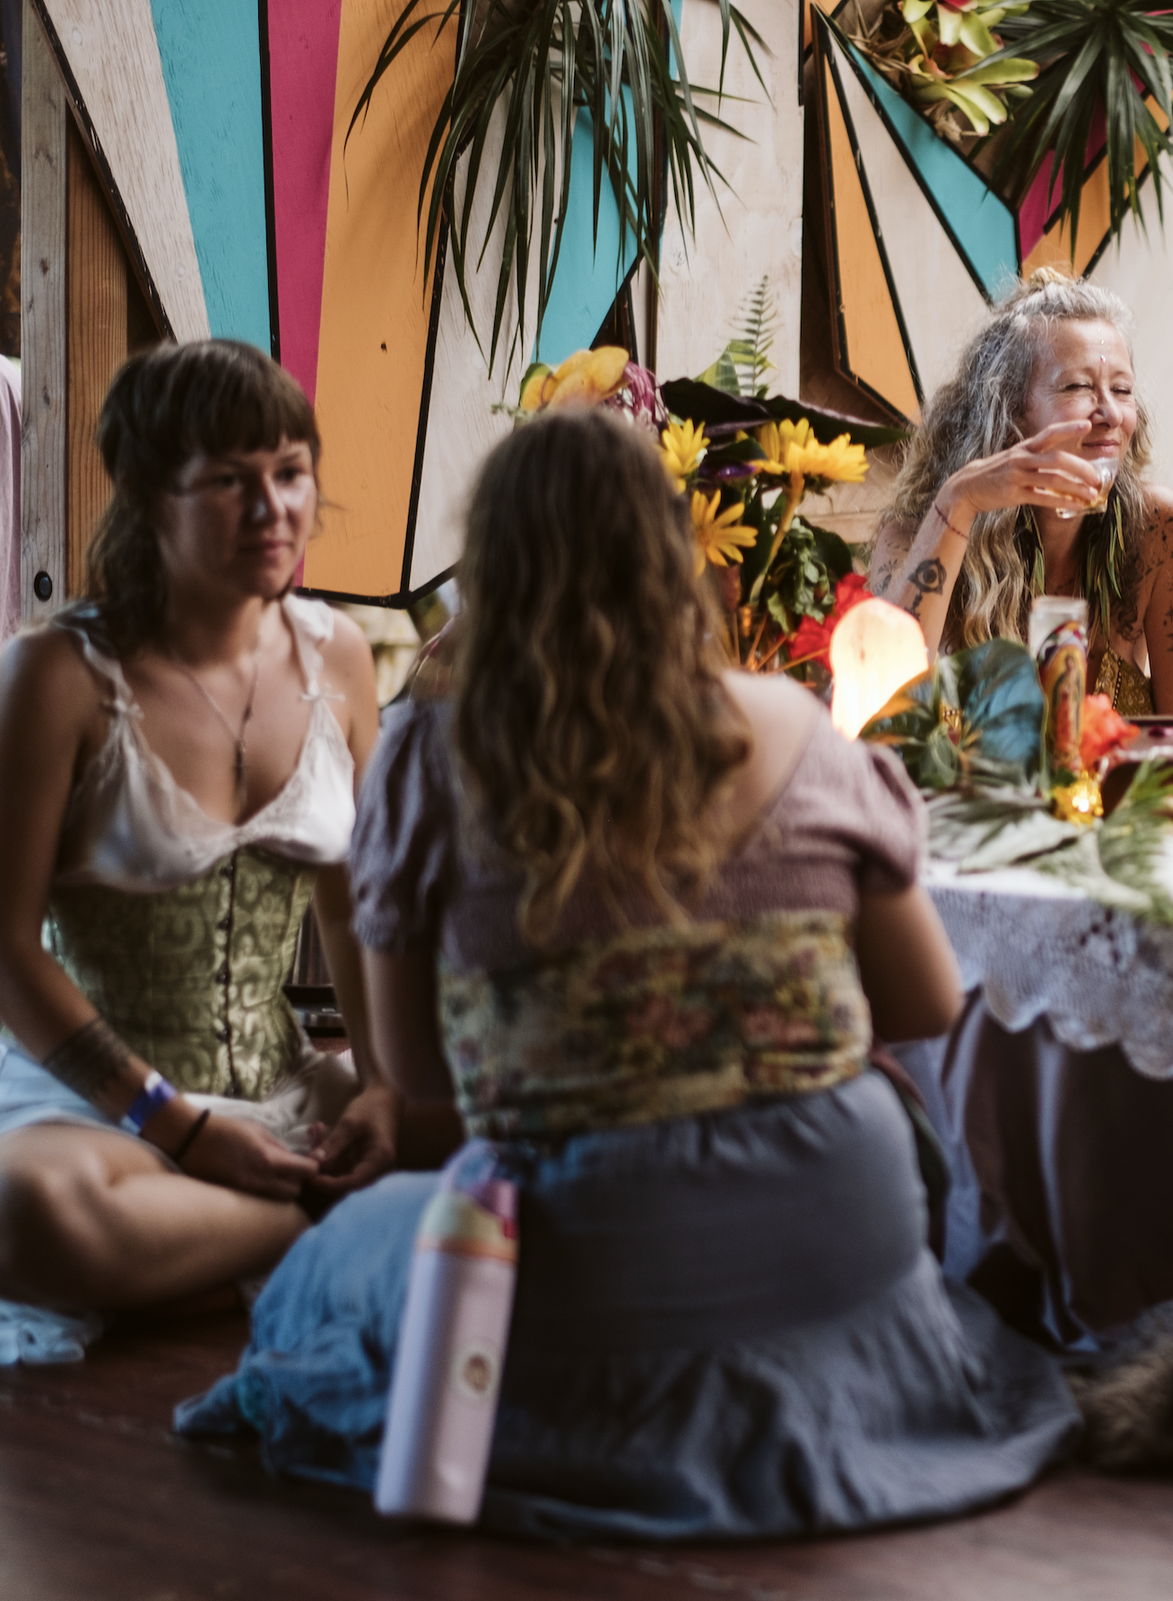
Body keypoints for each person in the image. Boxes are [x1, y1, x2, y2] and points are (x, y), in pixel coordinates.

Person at [178, 407, 1078, 1537]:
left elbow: (418, 1078)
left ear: (494, 573)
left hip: (575, 1244)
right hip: (833, 1208)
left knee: (328, 1277)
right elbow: (924, 1004)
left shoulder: (428, 764)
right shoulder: (801, 733)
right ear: (671, 554)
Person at [0, 341, 391, 1365]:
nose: (273, 509)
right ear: (148, 496)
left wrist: (387, 1083)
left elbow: (361, 904)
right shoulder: (55, 676)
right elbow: (6, 950)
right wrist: (175, 1124)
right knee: (33, 1208)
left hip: (288, 1087)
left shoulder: (339, 657)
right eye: (228, 480)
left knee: (507, 1118)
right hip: (97, 1108)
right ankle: (325, 1229)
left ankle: (212, 1250)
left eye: (290, 471)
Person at [870, 271, 1173, 715]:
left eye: (1122, 390)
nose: (1109, 412)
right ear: (1010, 412)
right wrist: (960, 500)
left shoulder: (1158, 529)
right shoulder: (915, 538)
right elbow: (883, 704)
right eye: (1078, 387)